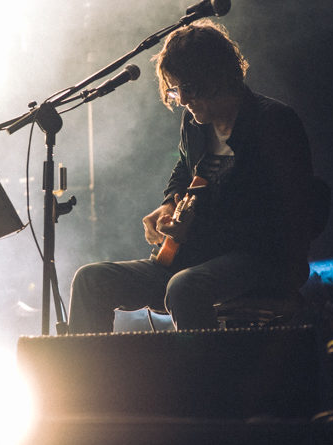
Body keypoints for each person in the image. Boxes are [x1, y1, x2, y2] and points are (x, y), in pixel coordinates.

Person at [68, 19, 314, 334]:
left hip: (262, 261)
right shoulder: (195, 123)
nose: (182, 99)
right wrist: (170, 205)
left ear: (217, 75)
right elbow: (184, 170)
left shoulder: (274, 123)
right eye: (175, 89)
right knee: (91, 280)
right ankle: (86, 382)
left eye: (189, 87)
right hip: (195, 259)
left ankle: (204, 382)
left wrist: (195, 230)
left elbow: (287, 221)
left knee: (185, 288)